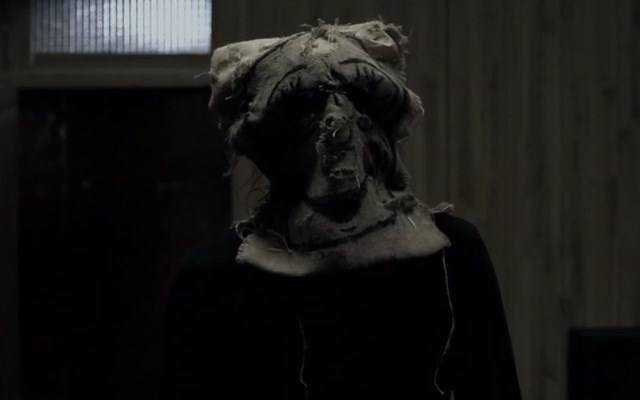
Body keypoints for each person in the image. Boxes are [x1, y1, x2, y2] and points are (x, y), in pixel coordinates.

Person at [162, 20, 521, 400]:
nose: (336, 125)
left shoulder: (451, 251)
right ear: (269, 144)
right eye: (306, 110)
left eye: (357, 102)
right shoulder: (213, 276)